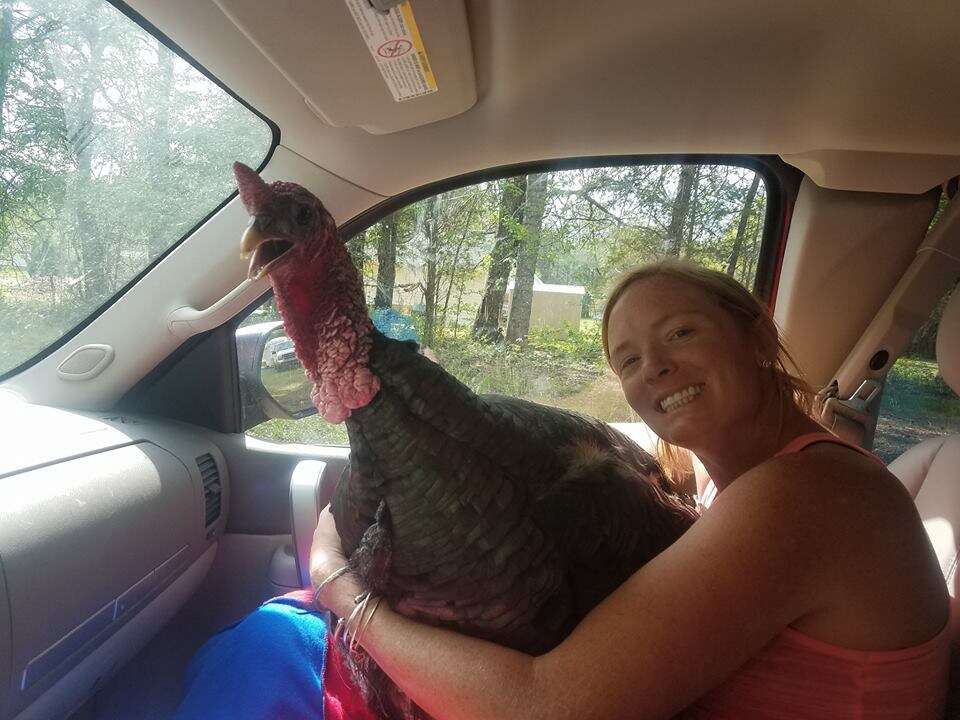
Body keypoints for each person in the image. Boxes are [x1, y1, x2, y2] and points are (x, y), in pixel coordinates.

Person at [310, 259, 950, 720]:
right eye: (629, 360)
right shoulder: (746, 484)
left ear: (752, 332)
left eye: (680, 333)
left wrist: (344, 595)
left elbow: (542, 710)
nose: (657, 369)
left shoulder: (804, 497)